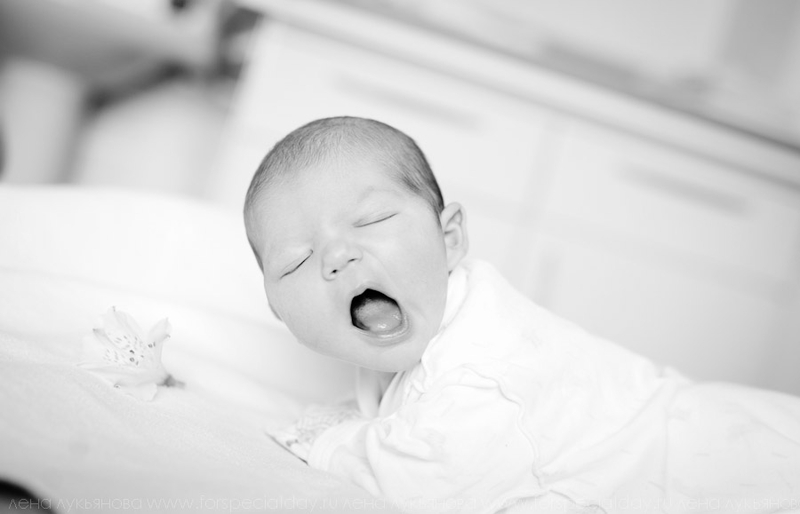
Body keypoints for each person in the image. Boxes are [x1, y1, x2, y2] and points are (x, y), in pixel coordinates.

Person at [243, 116, 800, 513]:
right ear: (278, 310)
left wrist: (324, 441)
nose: (338, 256)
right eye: (297, 261)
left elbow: (428, 483)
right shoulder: (409, 332)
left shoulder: (486, 372)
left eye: (371, 221)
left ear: (449, 238)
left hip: (731, 461)